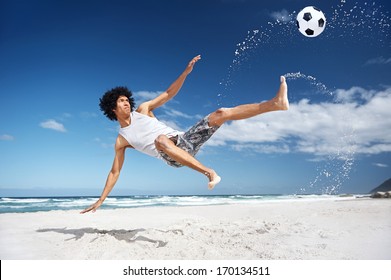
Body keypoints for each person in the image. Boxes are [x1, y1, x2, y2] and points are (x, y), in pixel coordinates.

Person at [81, 55, 288, 214]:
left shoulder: (143, 110)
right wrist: (101, 200)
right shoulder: (121, 139)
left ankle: (275, 104)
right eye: (121, 101)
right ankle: (209, 173)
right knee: (160, 140)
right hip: (171, 156)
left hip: (186, 140)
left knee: (221, 113)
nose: (126, 102)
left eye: (127, 99)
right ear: (112, 109)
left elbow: (168, 93)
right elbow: (114, 172)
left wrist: (186, 72)